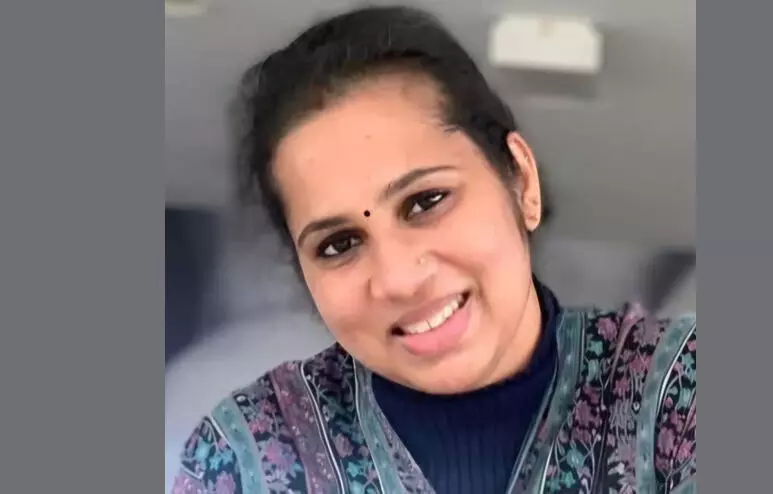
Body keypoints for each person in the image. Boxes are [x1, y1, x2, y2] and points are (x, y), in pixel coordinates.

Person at [170, 6, 696, 494]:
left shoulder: (679, 390)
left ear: (522, 182)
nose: (399, 278)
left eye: (425, 202)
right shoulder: (250, 454)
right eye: (339, 244)